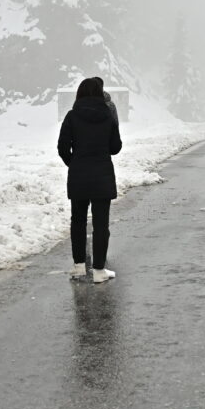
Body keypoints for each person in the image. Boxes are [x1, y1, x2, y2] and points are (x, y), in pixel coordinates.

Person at [58, 76, 123, 283]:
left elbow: (62, 147)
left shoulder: (71, 116)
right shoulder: (107, 116)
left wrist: (74, 163)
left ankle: (78, 267)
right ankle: (98, 271)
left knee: (77, 221)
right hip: (102, 176)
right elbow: (115, 147)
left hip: (78, 176)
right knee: (101, 224)